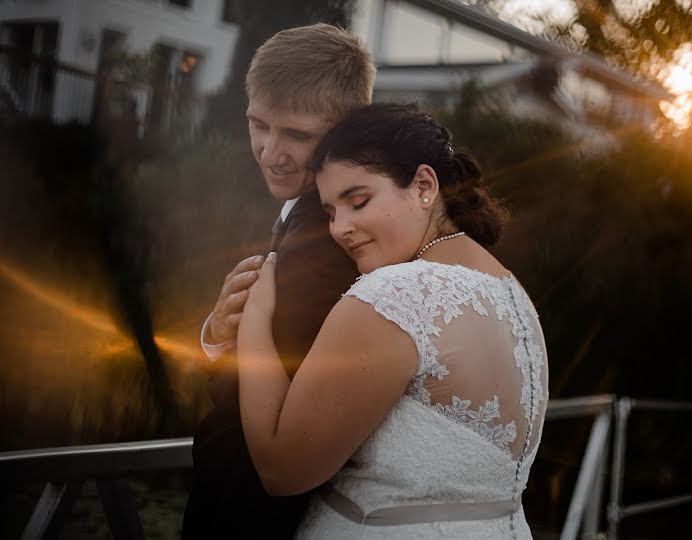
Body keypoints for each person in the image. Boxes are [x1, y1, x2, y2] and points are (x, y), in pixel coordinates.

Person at [237, 103, 550, 539]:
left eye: (358, 200)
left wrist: (254, 318)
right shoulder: (512, 294)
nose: (340, 228)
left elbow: (281, 469)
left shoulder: (393, 296)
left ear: (424, 185)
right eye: (329, 212)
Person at [182, 24, 374, 539]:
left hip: (246, 508)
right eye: (258, 124)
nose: (269, 151)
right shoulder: (308, 215)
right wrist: (219, 332)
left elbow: (273, 398)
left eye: (296, 134)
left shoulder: (324, 237)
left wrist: (224, 355)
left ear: (345, 131)